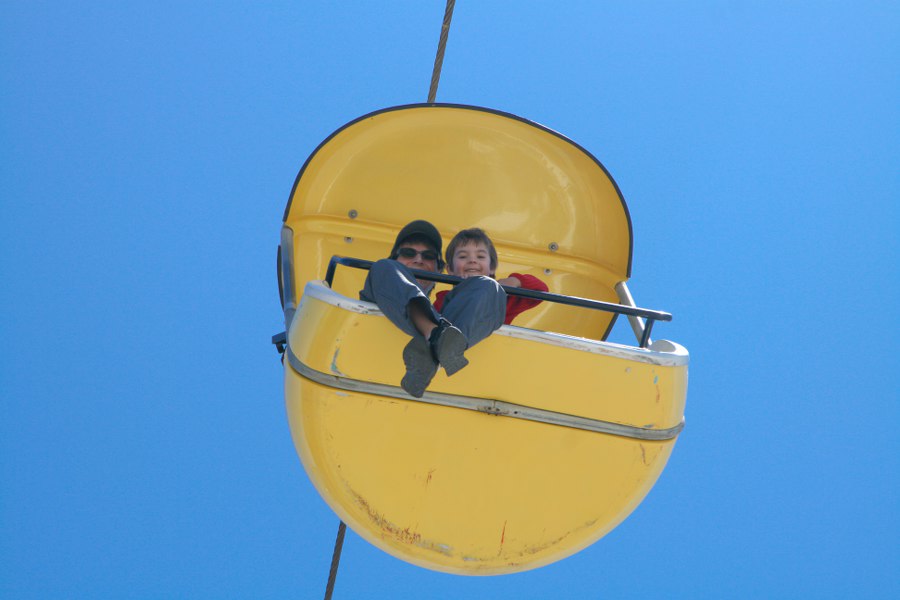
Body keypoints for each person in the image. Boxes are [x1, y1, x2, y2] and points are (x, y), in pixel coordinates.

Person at [359, 220, 507, 398]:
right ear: (395, 260)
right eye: (408, 253)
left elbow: (534, 287)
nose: (418, 260)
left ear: (439, 271)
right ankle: (437, 338)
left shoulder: (448, 308)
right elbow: (386, 271)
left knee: (489, 286)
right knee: (381, 266)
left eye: (428, 256)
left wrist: (510, 282)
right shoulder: (382, 275)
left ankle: (433, 343)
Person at [434, 227, 549, 325]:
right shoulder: (443, 302)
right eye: (463, 256)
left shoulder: (503, 300)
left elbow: (541, 290)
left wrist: (515, 281)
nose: (472, 260)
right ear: (450, 269)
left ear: (492, 268)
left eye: (480, 256)